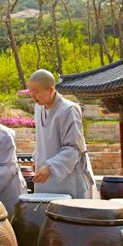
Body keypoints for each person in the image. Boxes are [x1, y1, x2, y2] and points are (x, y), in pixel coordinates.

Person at [28, 69, 95, 198]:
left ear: (51, 90)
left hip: (67, 178)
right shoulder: (38, 107)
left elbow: (74, 148)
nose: (32, 95)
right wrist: (36, 157)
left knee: (66, 214)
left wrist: (50, 167)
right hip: (44, 176)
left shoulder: (68, 110)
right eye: (30, 91)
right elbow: (42, 140)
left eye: (36, 91)